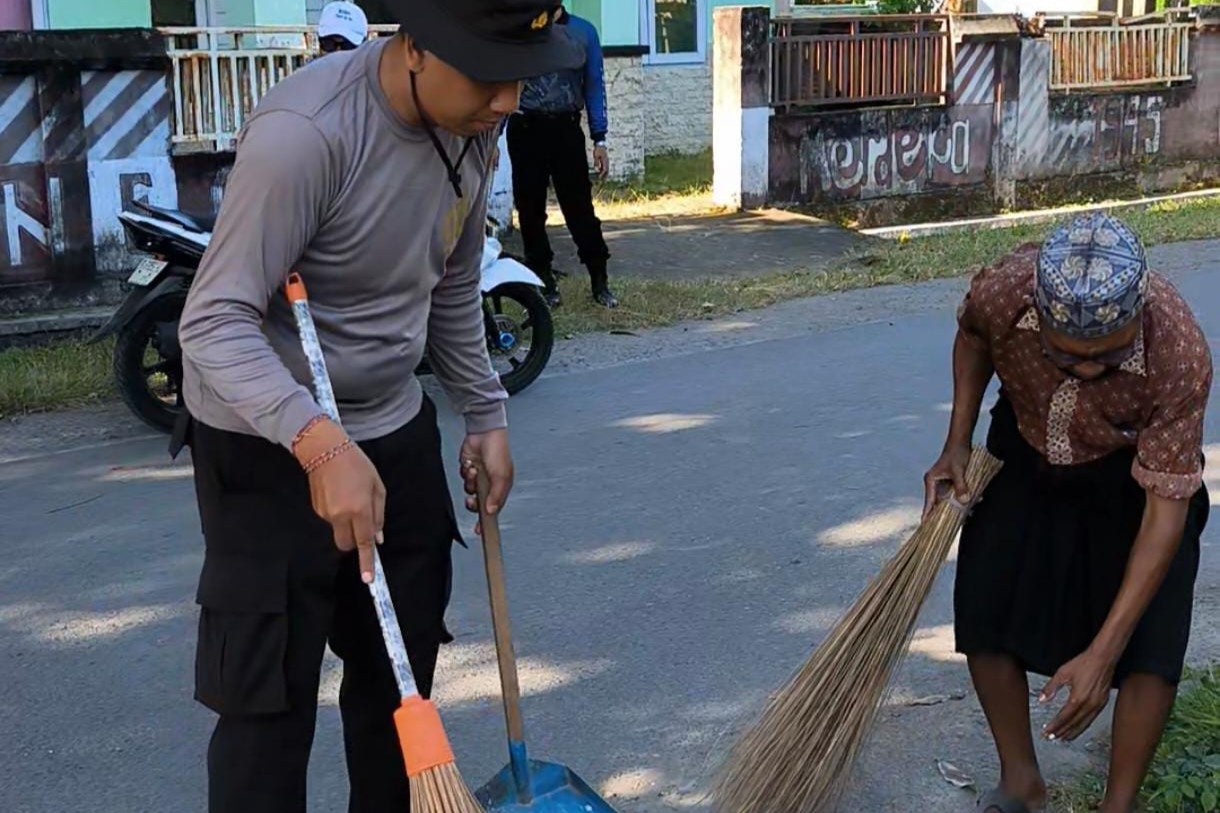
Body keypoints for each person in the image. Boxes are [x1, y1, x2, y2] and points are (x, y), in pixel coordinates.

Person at [174, 2, 581, 812]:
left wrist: (486, 411)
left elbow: (454, 282)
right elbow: (211, 322)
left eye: (521, 74)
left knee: (399, 681)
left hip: (392, 424)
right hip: (267, 440)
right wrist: (320, 445)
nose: (509, 101)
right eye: (491, 73)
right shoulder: (307, 134)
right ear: (418, 47)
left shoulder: (475, 126)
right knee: (268, 704)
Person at [924, 213, 1212, 813]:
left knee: (1151, 644)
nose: (1084, 369)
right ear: (1039, 312)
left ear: (1136, 319)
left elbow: (1164, 515)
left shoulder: (1178, 350)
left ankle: (1119, 804)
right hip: (1024, 447)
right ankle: (1021, 782)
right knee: (985, 603)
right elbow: (974, 338)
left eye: (1104, 359)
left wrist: (1103, 653)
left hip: (1132, 475)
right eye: (1064, 354)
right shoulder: (1004, 290)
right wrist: (956, 441)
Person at [506, 1, 617, 308]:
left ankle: (599, 279)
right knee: (529, 211)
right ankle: (543, 281)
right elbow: (503, 80)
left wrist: (600, 138)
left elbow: (595, 84)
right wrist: (490, 140)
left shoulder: (582, 32)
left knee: (579, 208)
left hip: (565, 129)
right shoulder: (520, 30)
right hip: (526, 128)